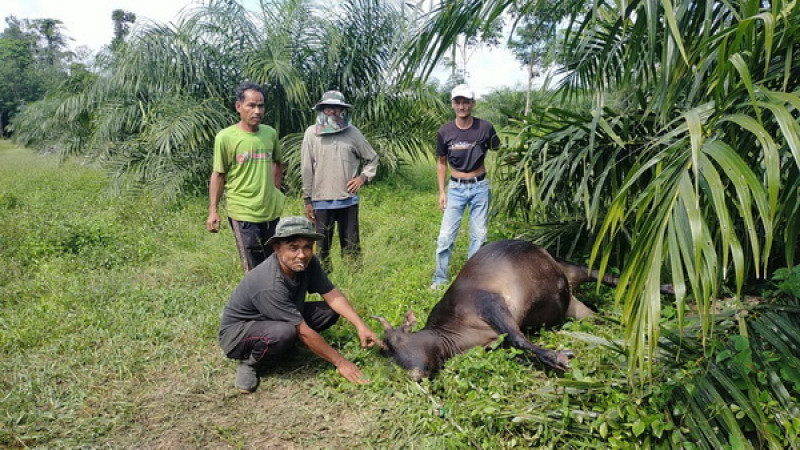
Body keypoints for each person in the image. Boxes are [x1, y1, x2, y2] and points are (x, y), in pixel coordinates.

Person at [218, 216, 380, 394]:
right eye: (293, 248)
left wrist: (361, 326)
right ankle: (250, 363)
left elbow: (332, 295)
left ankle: (287, 348)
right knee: (285, 332)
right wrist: (341, 363)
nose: (301, 255)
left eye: (307, 247)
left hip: (276, 317)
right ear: (277, 248)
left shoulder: (308, 263)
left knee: (329, 311)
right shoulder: (269, 283)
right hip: (239, 334)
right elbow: (302, 330)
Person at [206, 81, 285, 272]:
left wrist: (275, 191)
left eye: (261, 105)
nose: (257, 111)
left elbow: (277, 162)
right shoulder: (225, 137)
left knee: (275, 263)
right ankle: (254, 301)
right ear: (238, 106)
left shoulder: (270, 134)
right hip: (243, 212)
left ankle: (273, 300)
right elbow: (218, 174)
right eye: (251, 105)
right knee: (253, 268)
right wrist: (213, 210)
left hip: (270, 212)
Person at [431, 84, 501, 289]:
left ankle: (473, 279)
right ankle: (440, 279)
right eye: (458, 102)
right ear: (452, 104)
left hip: (480, 188)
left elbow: (500, 151)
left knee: (478, 237)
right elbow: (441, 162)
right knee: (445, 237)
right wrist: (442, 192)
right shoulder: (445, 131)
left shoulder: (485, 127)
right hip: (455, 189)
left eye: (466, 102)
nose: (462, 106)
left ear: (473, 103)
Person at [301, 90, 379, 270]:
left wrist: (363, 177)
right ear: (322, 109)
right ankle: (322, 284)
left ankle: (354, 281)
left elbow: (372, 158)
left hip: (347, 200)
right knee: (321, 250)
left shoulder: (353, 133)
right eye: (329, 108)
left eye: (337, 108)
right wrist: (307, 200)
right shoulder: (311, 133)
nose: (333, 112)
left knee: (351, 247)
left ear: (343, 110)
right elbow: (306, 168)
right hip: (321, 201)